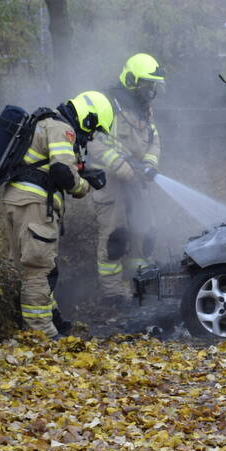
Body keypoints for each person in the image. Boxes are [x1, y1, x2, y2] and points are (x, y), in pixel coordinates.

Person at [3, 92, 111, 339]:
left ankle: (53, 320)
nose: (92, 136)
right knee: (38, 269)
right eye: (94, 129)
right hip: (34, 205)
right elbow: (62, 171)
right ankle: (41, 335)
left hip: (20, 202)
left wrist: (85, 172)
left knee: (41, 267)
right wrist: (84, 186)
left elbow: (52, 164)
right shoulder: (63, 129)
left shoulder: (48, 123)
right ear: (88, 119)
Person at [86, 53, 164, 305]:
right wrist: (122, 166)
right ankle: (113, 294)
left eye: (153, 84)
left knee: (144, 232)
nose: (150, 90)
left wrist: (150, 164)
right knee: (115, 237)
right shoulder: (109, 105)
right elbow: (93, 143)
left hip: (137, 183)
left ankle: (139, 285)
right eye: (146, 83)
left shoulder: (144, 111)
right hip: (110, 183)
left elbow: (154, 141)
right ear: (131, 80)